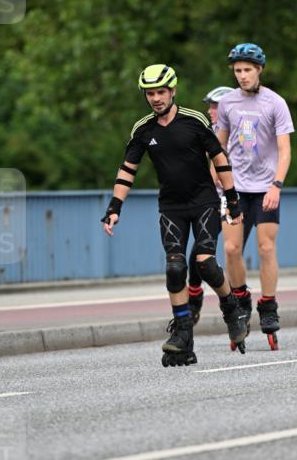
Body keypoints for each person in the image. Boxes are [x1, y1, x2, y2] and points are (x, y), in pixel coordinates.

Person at [101, 64, 248, 366]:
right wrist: (114, 208)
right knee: (175, 268)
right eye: (150, 93)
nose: (155, 98)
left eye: (160, 92)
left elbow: (220, 158)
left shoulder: (194, 121)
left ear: (172, 91)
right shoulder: (143, 130)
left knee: (204, 263)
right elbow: (127, 170)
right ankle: (183, 336)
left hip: (204, 202)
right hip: (171, 208)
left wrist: (233, 200)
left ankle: (230, 306)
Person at [215, 43, 294, 349]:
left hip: (265, 188)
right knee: (232, 249)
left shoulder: (275, 103)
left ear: (260, 70)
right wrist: (217, 173)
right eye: (237, 71)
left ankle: (269, 307)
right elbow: (218, 145)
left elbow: (285, 150)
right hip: (234, 189)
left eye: (247, 70)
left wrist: (277, 185)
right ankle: (241, 300)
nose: (242, 76)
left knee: (265, 246)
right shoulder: (228, 103)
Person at [185, 85, 235, 324]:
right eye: (211, 106)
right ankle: (194, 293)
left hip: (238, 195)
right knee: (198, 252)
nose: (210, 110)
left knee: (233, 249)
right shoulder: (206, 131)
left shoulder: (243, 130)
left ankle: (239, 299)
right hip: (212, 198)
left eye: (215, 106)